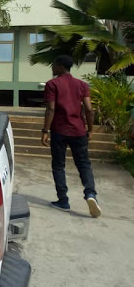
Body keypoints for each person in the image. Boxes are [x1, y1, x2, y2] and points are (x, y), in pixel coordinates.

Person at [41, 55, 101, 218]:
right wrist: (90, 129)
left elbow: (51, 109)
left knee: (58, 165)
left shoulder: (52, 84)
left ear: (61, 66)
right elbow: (89, 109)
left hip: (59, 131)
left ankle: (63, 201)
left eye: (54, 64)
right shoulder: (82, 85)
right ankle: (90, 194)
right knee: (84, 164)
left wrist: (45, 131)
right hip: (79, 131)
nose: (52, 67)